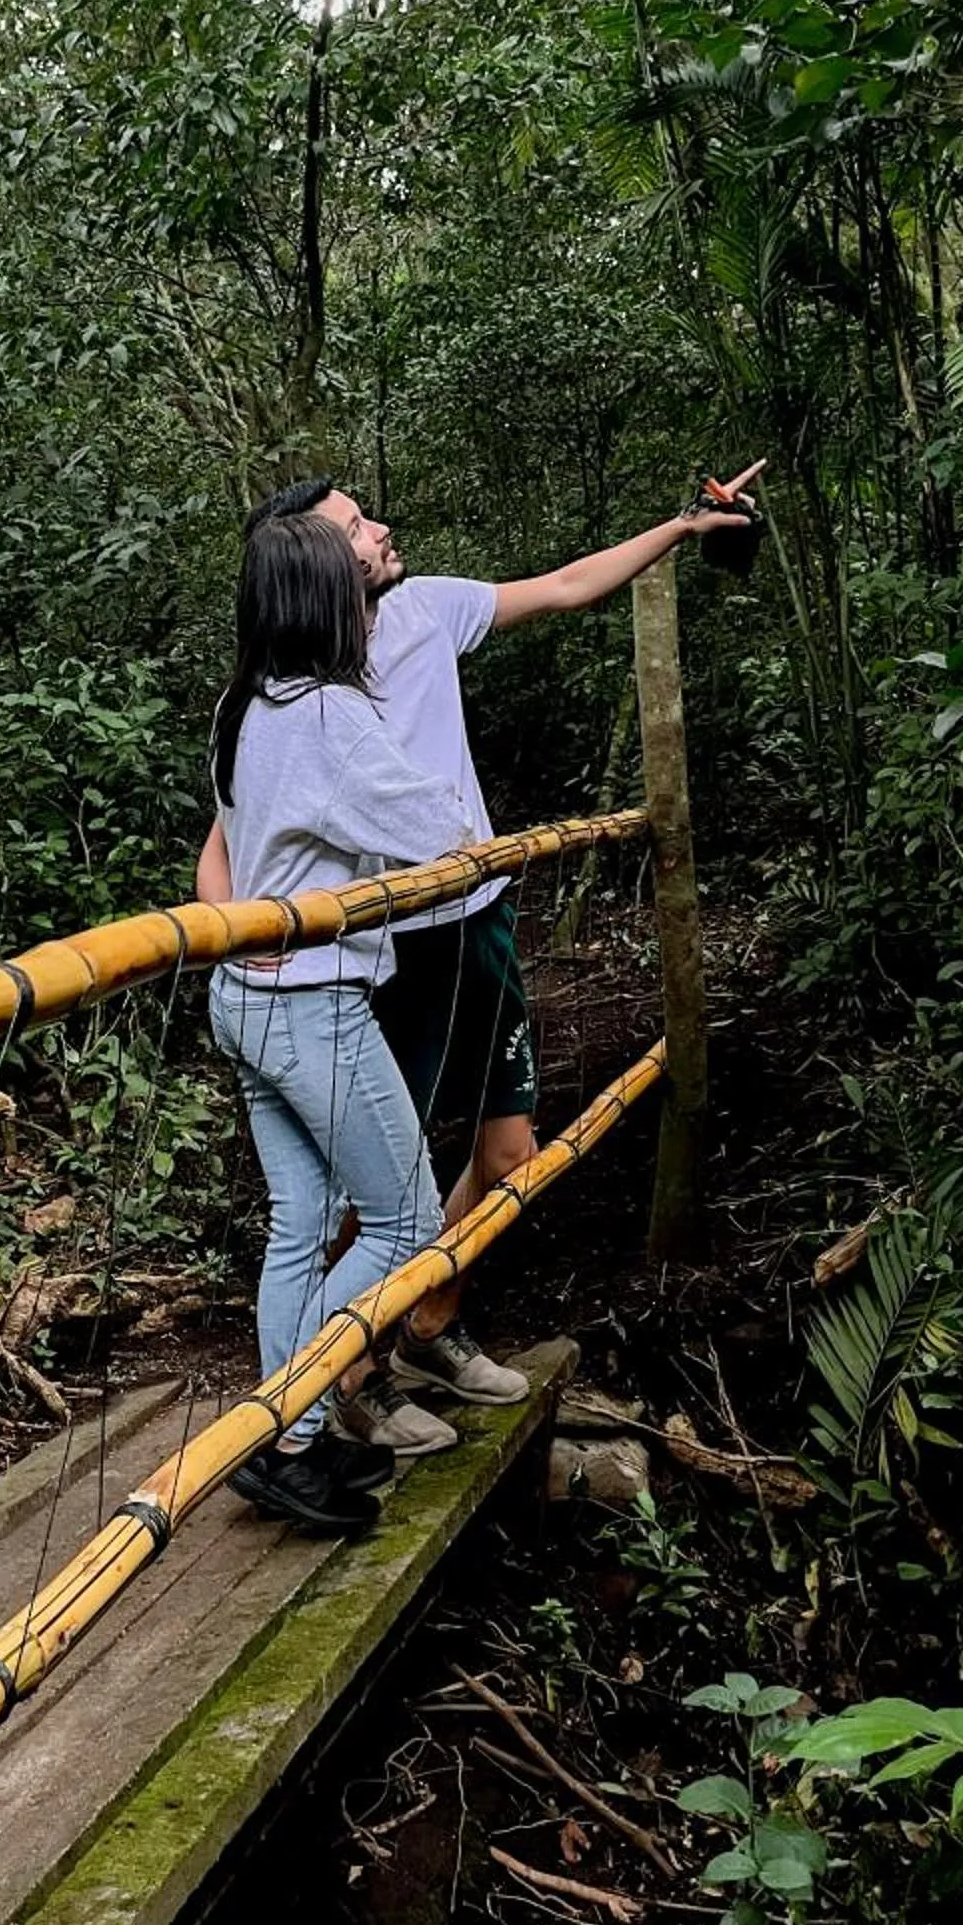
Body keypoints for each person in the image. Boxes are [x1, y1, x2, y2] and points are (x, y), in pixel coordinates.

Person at [198, 476, 759, 1457]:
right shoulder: (301, 686)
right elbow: (237, 828)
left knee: (502, 1151)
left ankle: (424, 1328)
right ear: (309, 566)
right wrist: (240, 927)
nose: (377, 531)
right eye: (351, 527)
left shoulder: (418, 615)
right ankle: (338, 1386)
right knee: (370, 1190)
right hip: (368, 948)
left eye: (366, 517)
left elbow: (568, 585)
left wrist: (679, 525)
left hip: (469, 914)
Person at [206, 508, 484, 1537]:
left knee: (301, 1227)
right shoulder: (326, 716)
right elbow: (433, 828)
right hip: (311, 1006)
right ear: (326, 604)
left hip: (244, 1002)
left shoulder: (243, 708)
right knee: (408, 1221)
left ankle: (288, 1446)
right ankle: (302, 1416)